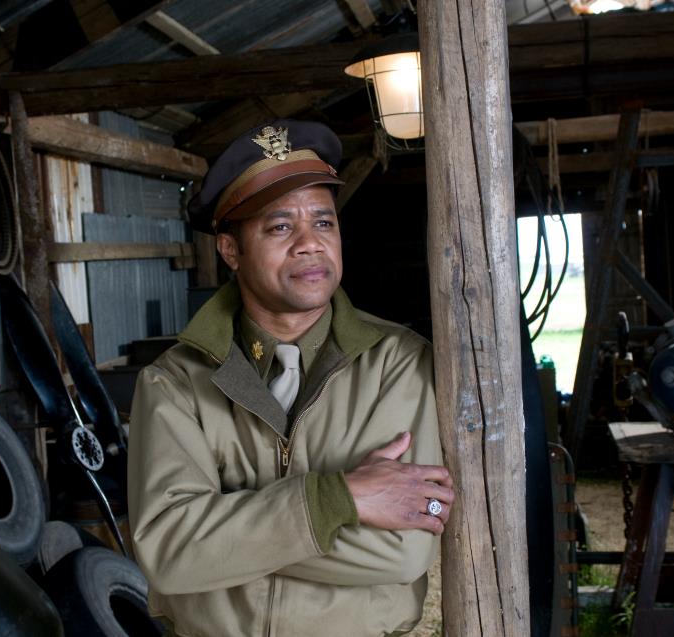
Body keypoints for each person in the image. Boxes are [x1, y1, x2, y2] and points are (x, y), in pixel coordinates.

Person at [127, 120, 454, 637]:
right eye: (280, 227)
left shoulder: (399, 363)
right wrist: (341, 501)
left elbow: (402, 550)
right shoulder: (174, 384)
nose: (309, 244)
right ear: (231, 251)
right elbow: (168, 549)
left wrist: (222, 536)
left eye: (323, 223)